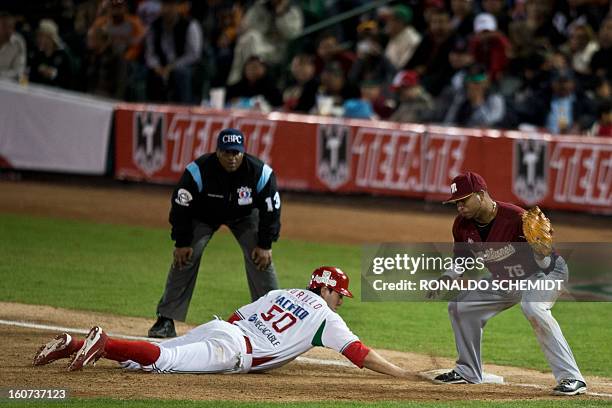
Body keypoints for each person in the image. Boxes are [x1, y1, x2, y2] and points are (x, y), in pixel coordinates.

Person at [33, 266, 409, 378]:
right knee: (163, 363)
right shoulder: (325, 317)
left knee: (149, 355)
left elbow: (237, 316)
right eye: (341, 294)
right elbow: (361, 354)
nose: (342, 300)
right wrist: (405, 375)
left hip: (223, 329)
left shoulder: (282, 293)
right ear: (328, 291)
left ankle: (74, 344)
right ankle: (105, 343)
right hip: (231, 349)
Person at [429, 171, 587, 396]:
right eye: (455, 202)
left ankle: (572, 378)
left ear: (481, 194)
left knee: (533, 307)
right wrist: (447, 278)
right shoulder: (462, 225)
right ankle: (467, 371)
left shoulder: (516, 218)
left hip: (545, 273)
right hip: (506, 279)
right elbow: (461, 260)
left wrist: (540, 252)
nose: (459, 206)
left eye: (463, 200)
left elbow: (545, 263)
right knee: (460, 306)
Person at [147, 128, 281, 338]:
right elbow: (180, 208)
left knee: (261, 259)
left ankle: (271, 322)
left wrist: (265, 244)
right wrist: (181, 242)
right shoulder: (197, 171)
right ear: (217, 152)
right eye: (227, 152)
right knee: (186, 256)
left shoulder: (260, 172)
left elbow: (271, 211)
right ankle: (165, 319)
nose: (232, 158)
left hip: (245, 216)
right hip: (203, 216)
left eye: (236, 153)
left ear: (243, 152)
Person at [144, 0, 203, 103]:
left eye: (171, 5)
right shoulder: (154, 26)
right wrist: (156, 66)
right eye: (164, 5)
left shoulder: (190, 25)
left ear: (177, 7)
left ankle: (184, 108)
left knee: (181, 73)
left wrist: (171, 67)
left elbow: (194, 54)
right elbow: (150, 53)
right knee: (148, 72)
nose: (167, 9)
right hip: (161, 65)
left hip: (184, 65)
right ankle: (151, 109)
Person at [0, 11, 27, 81]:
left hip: (6, 85)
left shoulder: (18, 43)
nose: (8, 30)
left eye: (11, 26)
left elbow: (18, 71)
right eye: (4, 25)